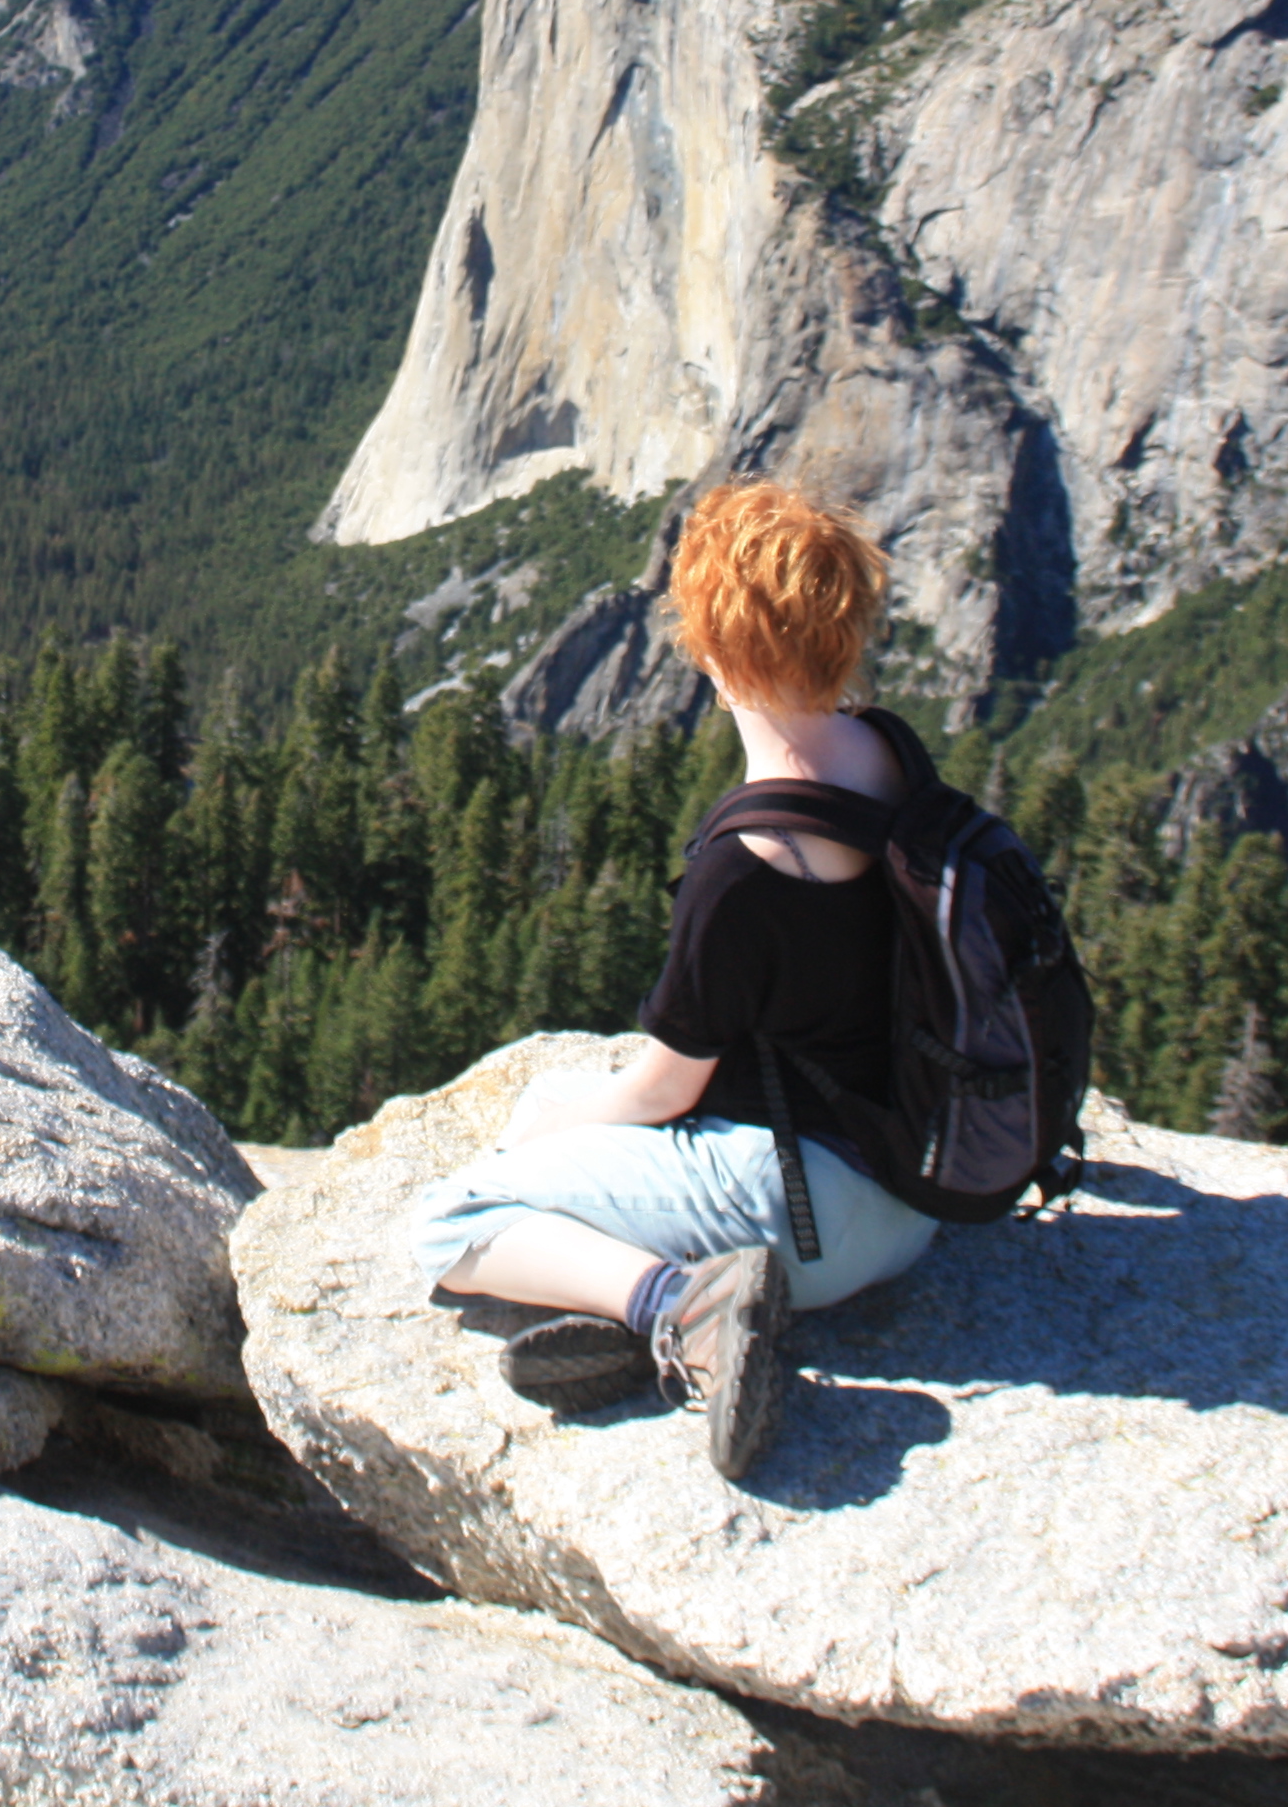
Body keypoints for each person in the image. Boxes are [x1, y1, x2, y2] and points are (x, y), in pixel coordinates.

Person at [399, 478, 943, 1481]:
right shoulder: (895, 762)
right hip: (914, 1197)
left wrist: (541, 1127)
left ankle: (682, 1309)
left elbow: (664, 1090)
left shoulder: (750, 862)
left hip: (804, 1223)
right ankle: (666, 1293)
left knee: (451, 1216)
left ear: (712, 648)